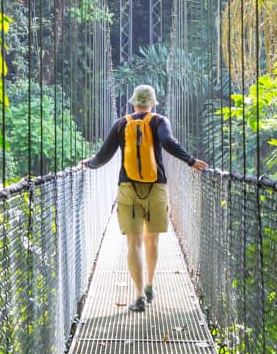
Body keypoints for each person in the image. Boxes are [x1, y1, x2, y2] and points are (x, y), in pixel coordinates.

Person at [80, 84, 207, 312]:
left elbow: (104, 156)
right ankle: (149, 286)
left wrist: (89, 164)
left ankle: (138, 296)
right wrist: (190, 160)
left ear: (133, 102)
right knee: (152, 240)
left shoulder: (121, 124)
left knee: (134, 243)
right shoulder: (159, 121)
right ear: (153, 103)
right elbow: (168, 143)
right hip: (156, 187)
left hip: (128, 188)